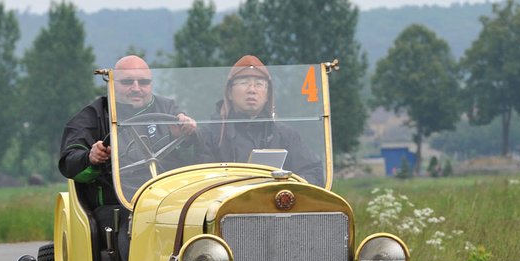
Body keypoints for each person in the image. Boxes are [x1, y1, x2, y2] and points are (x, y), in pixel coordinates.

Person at [59, 55, 197, 207]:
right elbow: (69, 162)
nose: (136, 88)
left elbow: (201, 154)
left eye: (143, 82)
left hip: (170, 200)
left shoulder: (169, 108)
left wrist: (189, 133)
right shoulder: (93, 115)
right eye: (127, 82)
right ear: (112, 83)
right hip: (117, 205)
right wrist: (91, 157)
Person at [202, 55, 324, 185]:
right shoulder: (210, 134)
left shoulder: (286, 135)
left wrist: (288, 186)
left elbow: (314, 172)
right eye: (244, 83)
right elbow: (201, 180)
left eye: (259, 84)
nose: (252, 90)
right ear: (229, 93)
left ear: (268, 95)